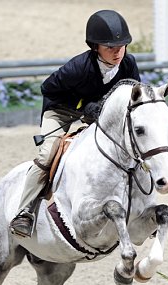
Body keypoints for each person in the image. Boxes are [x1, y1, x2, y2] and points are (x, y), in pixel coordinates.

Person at [10, 9, 141, 238]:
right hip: (61, 111)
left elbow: (133, 97)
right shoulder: (77, 68)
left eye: (121, 46)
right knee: (47, 155)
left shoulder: (128, 64)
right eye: (110, 47)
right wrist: (83, 108)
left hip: (98, 113)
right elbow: (47, 88)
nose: (117, 52)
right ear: (95, 47)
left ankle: (139, 209)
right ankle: (24, 211)